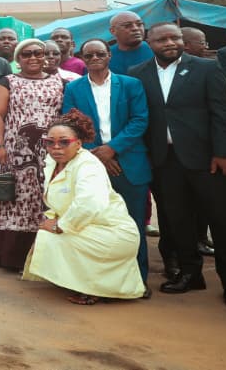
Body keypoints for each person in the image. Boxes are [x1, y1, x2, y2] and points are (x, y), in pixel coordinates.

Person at [129, 22, 226, 308]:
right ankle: (190, 274)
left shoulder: (207, 68)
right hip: (164, 161)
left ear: (182, 40)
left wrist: (225, 153)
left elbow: (222, 113)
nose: (169, 42)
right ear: (149, 42)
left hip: (208, 161)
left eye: (175, 37)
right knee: (176, 221)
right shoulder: (137, 74)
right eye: (162, 39)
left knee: (221, 222)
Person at [22, 110, 146, 304]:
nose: (56, 147)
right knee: (46, 232)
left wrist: (59, 225)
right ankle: (79, 281)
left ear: (78, 144)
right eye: (50, 142)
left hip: (111, 233)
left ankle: (94, 288)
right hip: (90, 227)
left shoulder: (88, 165)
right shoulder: (52, 162)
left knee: (52, 234)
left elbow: (89, 205)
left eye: (64, 142)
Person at [62, 38, 152, 284]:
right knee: (93, 226)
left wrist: (112, 149)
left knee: (132, 226)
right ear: (82, 58)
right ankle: (98, 282)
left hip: (129, 164)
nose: (94, 59)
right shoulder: (74, 88)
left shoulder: (131, 84)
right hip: (91, 166)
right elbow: (71, 123)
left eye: (99, 54)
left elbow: (139, 120)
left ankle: (137, 280)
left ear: (109, 55)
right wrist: (98, 154)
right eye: (88, 55)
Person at [0, 38, 65, 269]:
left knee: (45, 198)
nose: (33, 58)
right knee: (16, 199)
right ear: (18, 59)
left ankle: (43, 259)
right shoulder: (7, 81)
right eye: (27, 54)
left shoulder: (58, 82)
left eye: (38, 53)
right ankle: (13, 258)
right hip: (15, 153)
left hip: (50, 153)